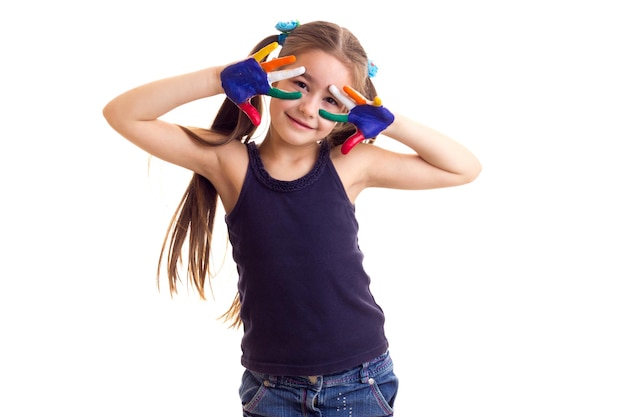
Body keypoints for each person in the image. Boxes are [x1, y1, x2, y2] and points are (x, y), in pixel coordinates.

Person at [103, 20, 481, 417]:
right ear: (267, 77)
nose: (308, 107)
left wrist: (390, 121)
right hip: (271, 387)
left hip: (360, 379)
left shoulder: (352, 165)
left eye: (332, 100)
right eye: (300, 83)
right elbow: (124, 115)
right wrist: (219, 78)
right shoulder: (229, 162)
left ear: (350, 110)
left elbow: (463, 168)